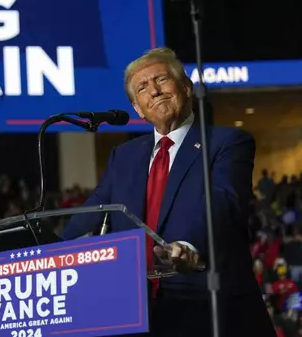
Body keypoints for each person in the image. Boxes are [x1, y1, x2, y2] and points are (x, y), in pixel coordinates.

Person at [62, 48, 275, 337]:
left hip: (211, 310)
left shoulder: (225, 143)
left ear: (186, 87)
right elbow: (87, 218)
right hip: (139, 315)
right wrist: (37, 253)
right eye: (142, 88)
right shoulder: (123, 157)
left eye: (162, 79)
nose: (155, 91)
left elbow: (223, 204)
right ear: (137, 107)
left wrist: (189, 247)